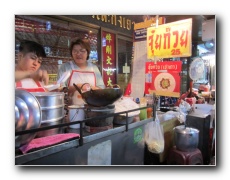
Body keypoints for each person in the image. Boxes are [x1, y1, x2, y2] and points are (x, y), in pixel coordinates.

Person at [57, 38, 105, 105]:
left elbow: (101, 90)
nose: (78, 54)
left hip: (92, 107)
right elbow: (59, 90)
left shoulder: (94, 68)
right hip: (71, 108)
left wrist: (88, 87)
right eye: (75, 51)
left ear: (87, 53)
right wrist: (76, 87)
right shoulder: (65, 67)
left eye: (82, 51)